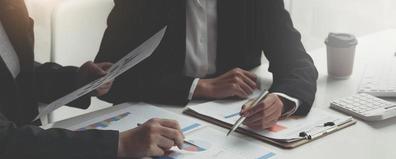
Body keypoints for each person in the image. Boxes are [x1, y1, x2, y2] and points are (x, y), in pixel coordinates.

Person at [0, 0, 184, 159]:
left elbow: (14, 74)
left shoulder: (10, 7)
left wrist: (75, 80)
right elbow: (5, 141)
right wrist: (120, 144)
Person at [96, 0, 318, 130]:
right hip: (151, 120)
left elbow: (297, 63)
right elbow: (109, 81)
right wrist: (198, 86)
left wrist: (281, 100)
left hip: (231, 121)